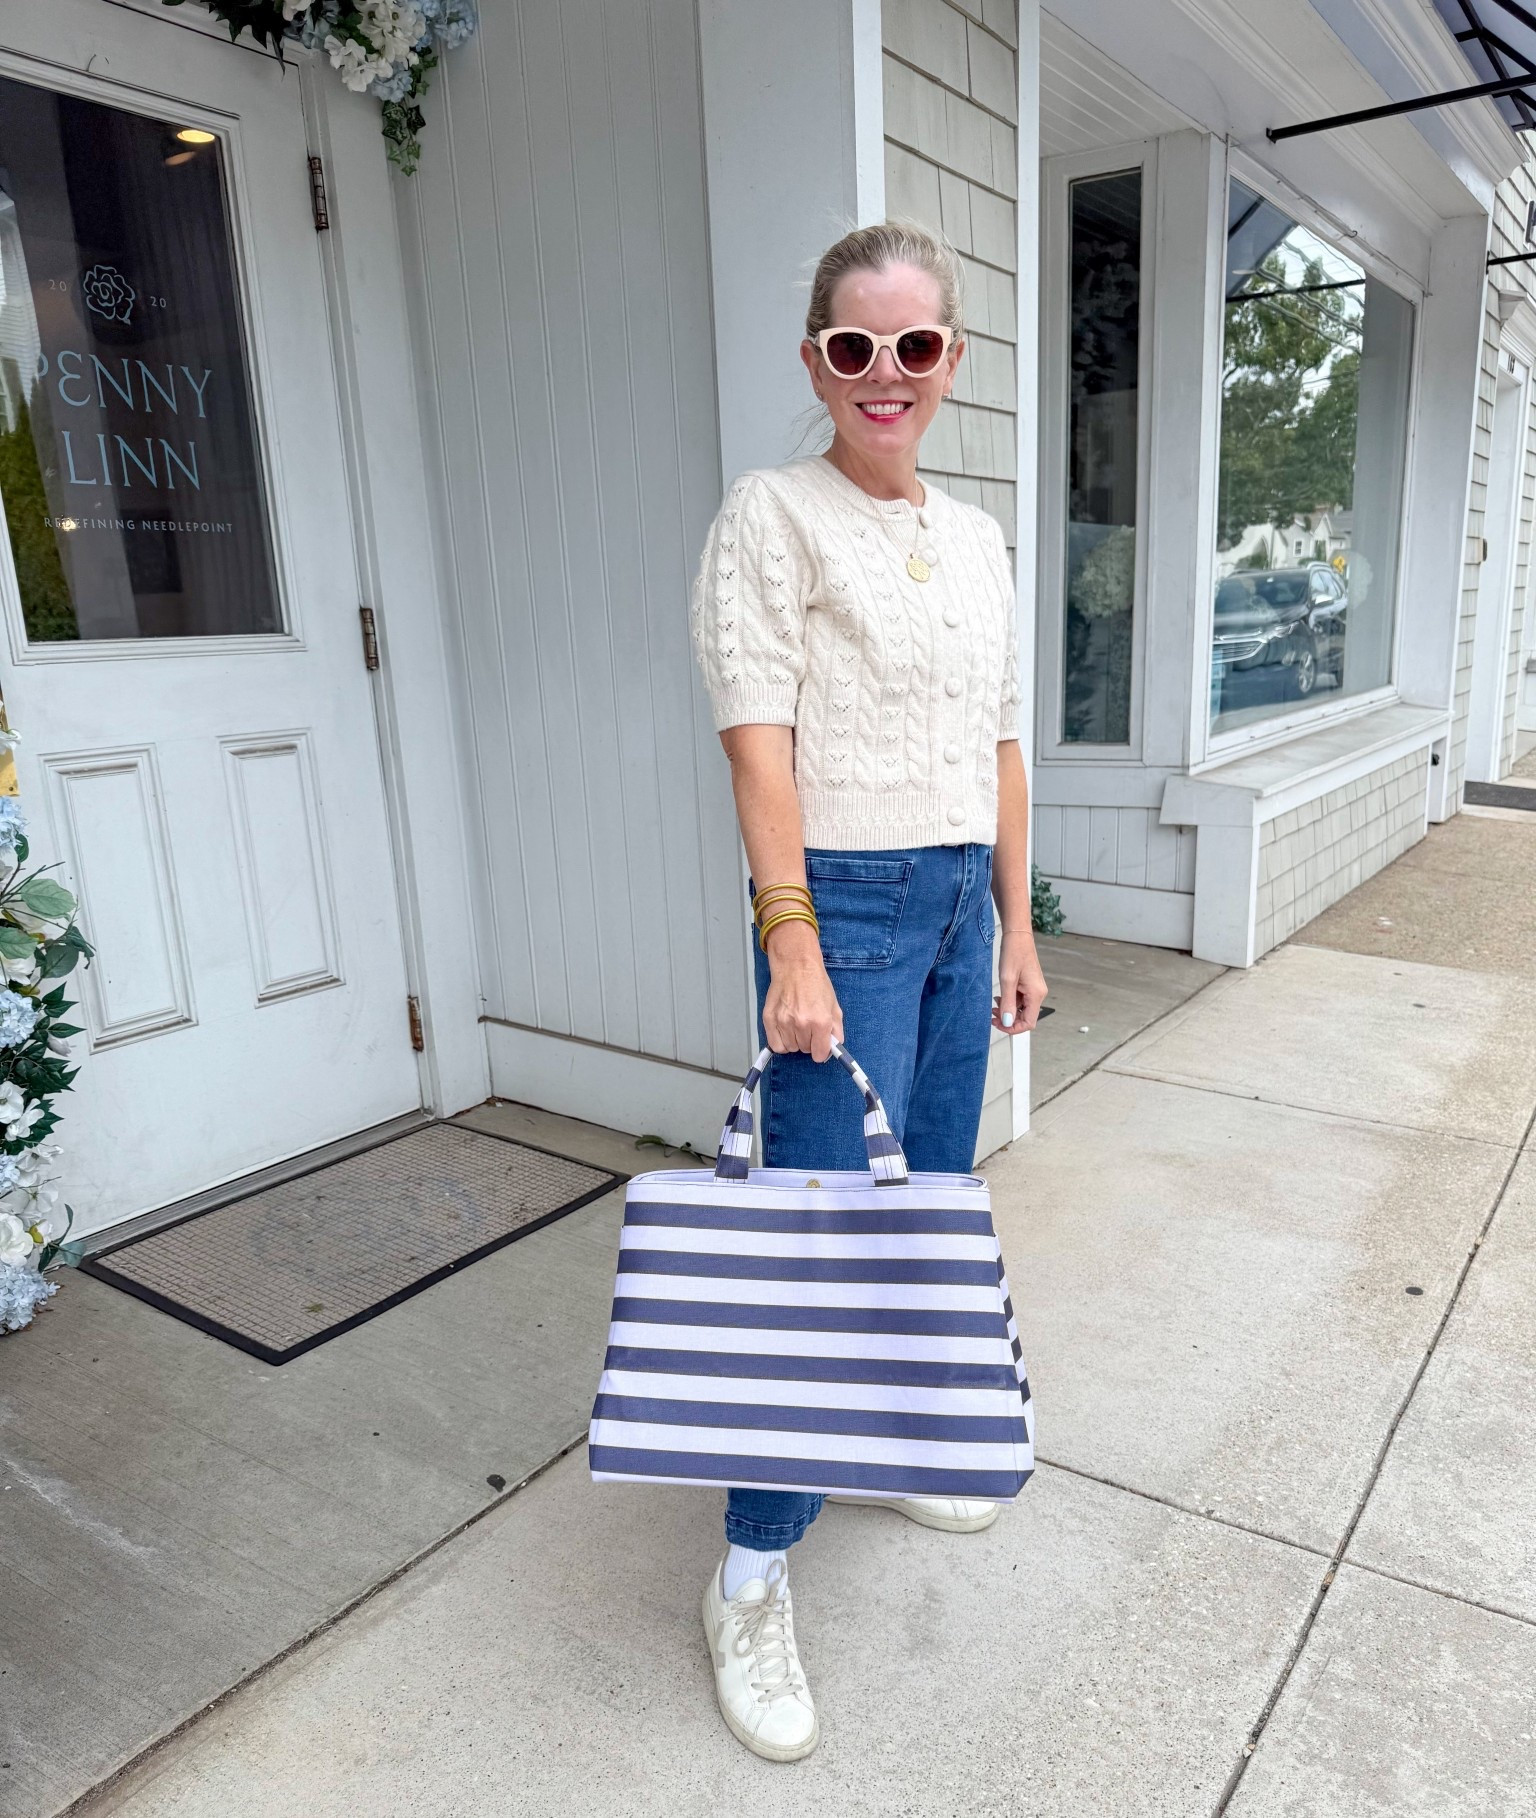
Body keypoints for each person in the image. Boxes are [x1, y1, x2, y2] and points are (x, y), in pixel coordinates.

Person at [689, 221, 1049, 1762]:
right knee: (818, 1246)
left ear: (953, 359)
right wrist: (789, 938)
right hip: (839, 905)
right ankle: (752, 1569)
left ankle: (899, 1438)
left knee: (930, 1201)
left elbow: (1002, 744)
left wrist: (1016, 925)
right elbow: (756, 735)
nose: (885, 374)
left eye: (915, 346)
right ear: (817, 363)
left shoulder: (977, 539)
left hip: (960, 901)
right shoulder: (773, 516)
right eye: (855, 347)